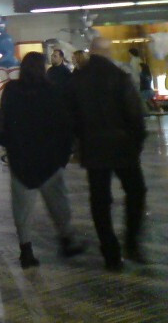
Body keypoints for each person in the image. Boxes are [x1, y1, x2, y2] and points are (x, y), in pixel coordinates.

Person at [0, 52, 85, 268]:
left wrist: (10, 144)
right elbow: (64, 127)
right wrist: (63, 156)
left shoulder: (12, 91)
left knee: (22, 208)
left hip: (21, 160)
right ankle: (67, 240)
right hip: (49, 160)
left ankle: (26, 251)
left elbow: (3, 123)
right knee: (58, 203)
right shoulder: (52, 91)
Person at [68, 47, 148, 270]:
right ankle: (131, 242)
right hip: (123, 148)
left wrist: (78, 144)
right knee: (136, 192)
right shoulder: (120, 76)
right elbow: (135, 114)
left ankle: (110, 252)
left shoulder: (78, 80)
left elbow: (71, 116)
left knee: (100, 200)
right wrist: (137, 144)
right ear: (107, 52)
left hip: (94, 149)